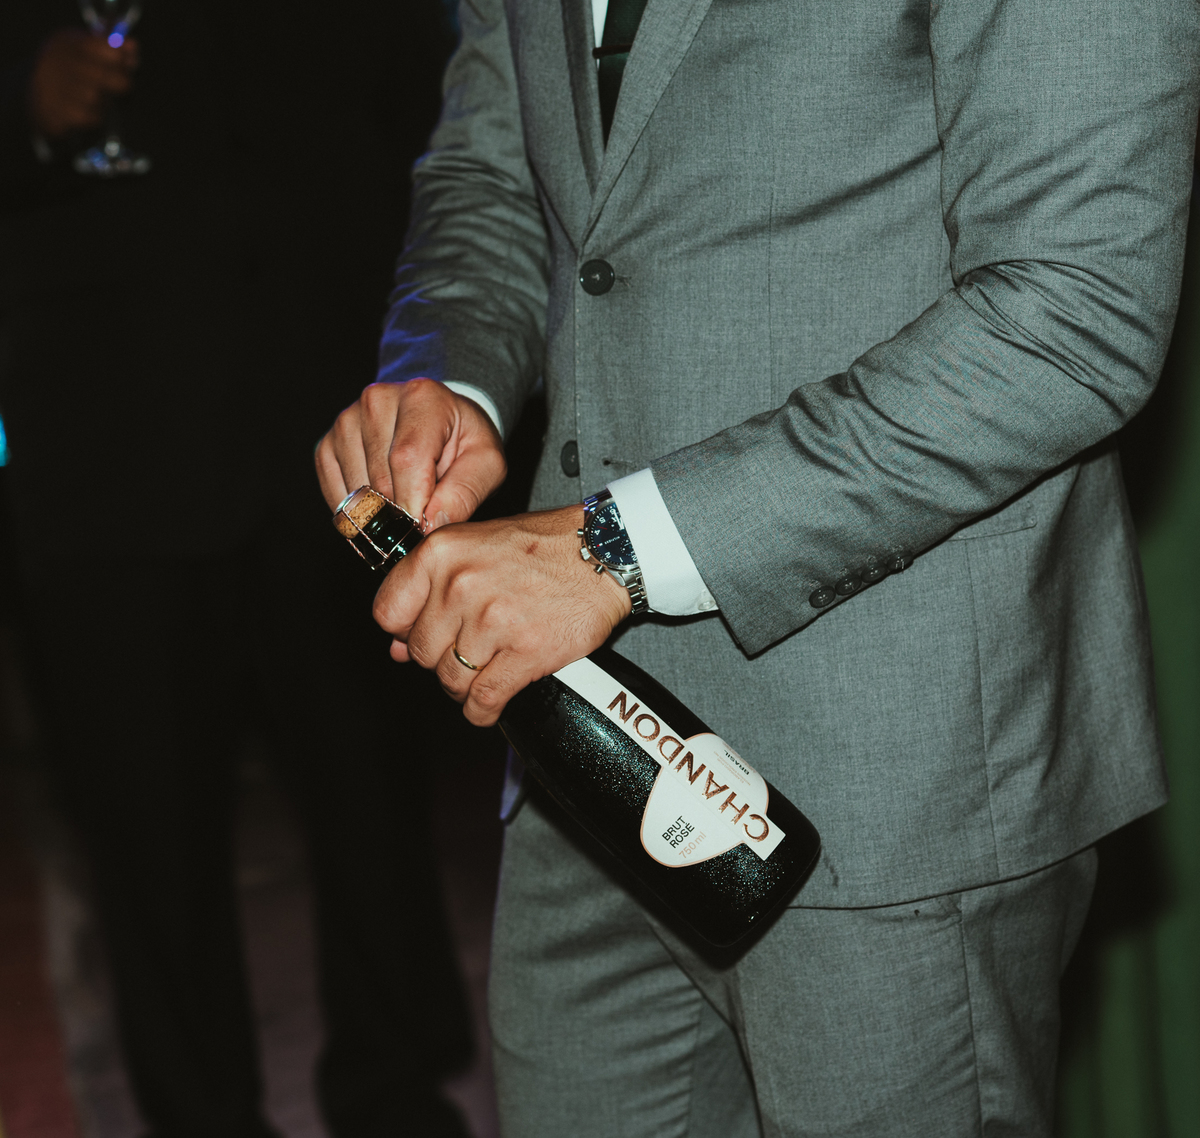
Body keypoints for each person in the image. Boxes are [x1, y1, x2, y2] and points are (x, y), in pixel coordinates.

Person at [315, 0, 1200, 1132]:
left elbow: (1074, 310)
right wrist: (448, 373)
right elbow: (490, 172)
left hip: (890, 765)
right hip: (581, 751)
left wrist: (613, 548)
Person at [0, 4, 475, 1137]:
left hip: (336, 408)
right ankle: (198, 1118)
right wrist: (20, 106)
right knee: (147, 831)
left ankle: (397, 1099)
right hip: (109, 436)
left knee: (373, 795)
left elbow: (450, 107)